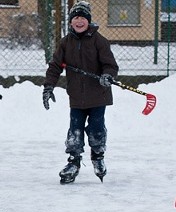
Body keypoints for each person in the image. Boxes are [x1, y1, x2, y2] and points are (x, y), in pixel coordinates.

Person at [42, 1, 119, 184]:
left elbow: (110, 65)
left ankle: (98, 156)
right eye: (76, 17)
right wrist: (48, 86)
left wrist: (107, 76)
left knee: (96, 129)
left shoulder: (99, 41)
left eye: (82, 18)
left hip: (98, 95)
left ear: (88, 21)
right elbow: (54, 67)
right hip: (76, 97)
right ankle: (73, 161)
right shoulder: (65, 43)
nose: (79, 21)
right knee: (74, 130)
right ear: (70, 22)